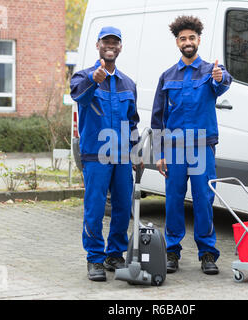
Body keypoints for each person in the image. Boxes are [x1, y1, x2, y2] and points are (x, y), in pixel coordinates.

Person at [151, 16, 232, 275]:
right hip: (174, 150)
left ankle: (207, 253)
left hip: (201, 147)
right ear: (177, 42)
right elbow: (158, 118)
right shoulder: (167, 76)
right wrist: (159, 153)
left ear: (199, 40)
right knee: (173, 201)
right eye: (183, 38)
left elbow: (223, 83)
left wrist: (220, 77)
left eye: (192, 38)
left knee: (203, 199)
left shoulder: (211, 71)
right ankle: (172, 252)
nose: (188, 42)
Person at [70, 26, 140, 281]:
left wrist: (137, 152)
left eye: (115, 42)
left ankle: (114, 254)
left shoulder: (128, 83)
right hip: (95, 155)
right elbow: (78, 96)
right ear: (98, 45)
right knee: (95, 208)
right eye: (106, 41)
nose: (111, 45)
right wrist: (93, 80)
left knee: (123, 207)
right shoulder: (82, 76)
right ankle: (95, 259)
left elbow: (132, 122)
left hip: (122, 156)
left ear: (120, 47)